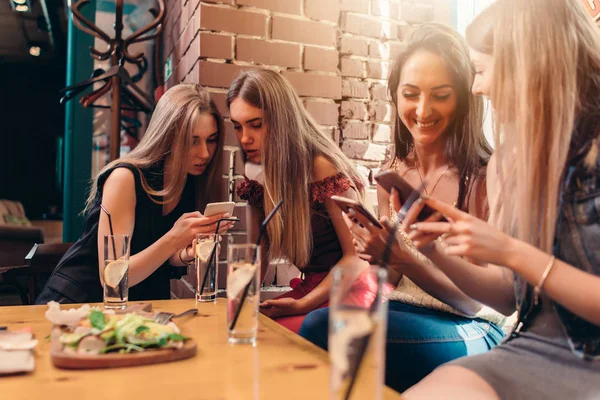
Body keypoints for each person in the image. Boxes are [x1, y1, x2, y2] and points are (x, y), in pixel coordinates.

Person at [400, 1, 600, 398]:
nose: (476, 87)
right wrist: (435, 249)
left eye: (481, 71)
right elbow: (508, 299)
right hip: (531, 350)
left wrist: (511, 251)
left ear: (525, 68)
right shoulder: (510, 162)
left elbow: (514, 264)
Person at [299, 23, 505, 393]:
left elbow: (472, 302)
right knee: (319, 322)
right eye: (411, 93)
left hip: (473, 326)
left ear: (463, 96)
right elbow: (390, 281)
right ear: (396, 95)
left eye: (441, 95)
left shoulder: (484, 176)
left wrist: (403, 257)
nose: (423, 109)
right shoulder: (393, 174)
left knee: (324, 330)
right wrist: (377, 260)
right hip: (404, 311)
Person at [37, 83, 234, 304]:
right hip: (76, 305)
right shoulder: (125, 178)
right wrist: (174, 238)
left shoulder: (191, 183)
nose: (205, 153)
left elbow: (157, 255)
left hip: (136, 309)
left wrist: (185, 254)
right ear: (167, 136)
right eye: (192, 140)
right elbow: (112, 277)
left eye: (212, 139)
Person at [228, 68, 371, 333]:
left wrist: (304, 303)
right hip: (311, 291)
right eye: (238, 126)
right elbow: (256, 253)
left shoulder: (322, 166)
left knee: (280, 339)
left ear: (282, 120)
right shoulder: (256, 175)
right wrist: (243, 298)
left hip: (351, 289)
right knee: (249, 328)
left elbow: (357, 260)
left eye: (256, 124)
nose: (245, 138)